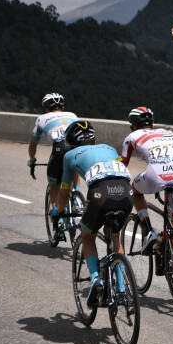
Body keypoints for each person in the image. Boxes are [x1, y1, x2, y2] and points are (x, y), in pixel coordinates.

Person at [52, 121, 133, 308]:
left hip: (101, 195)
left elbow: (64, 191)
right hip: (125, 193)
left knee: (87, 236)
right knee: (115, 236)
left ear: (72, 142)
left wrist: (59, 211)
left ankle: (96, 279)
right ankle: (121, 289)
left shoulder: (70, 155)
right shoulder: (109, 148)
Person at [120, 107, 173, 287]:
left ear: (133, 125)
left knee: (135, 190)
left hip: (155, 175)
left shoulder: (132, 137)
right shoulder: (169, 133)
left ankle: (149, 230)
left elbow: (122, 165)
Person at [27, 93, 80, 214]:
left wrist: (32, 160)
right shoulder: (72, 115)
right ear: (62, 107)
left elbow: (33, 145)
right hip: (77, 146)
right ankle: (78, 199)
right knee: (74, 166)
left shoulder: (41, 119)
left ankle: (59, 219)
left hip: (59, 148)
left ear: (46, 108)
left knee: (54, 185)